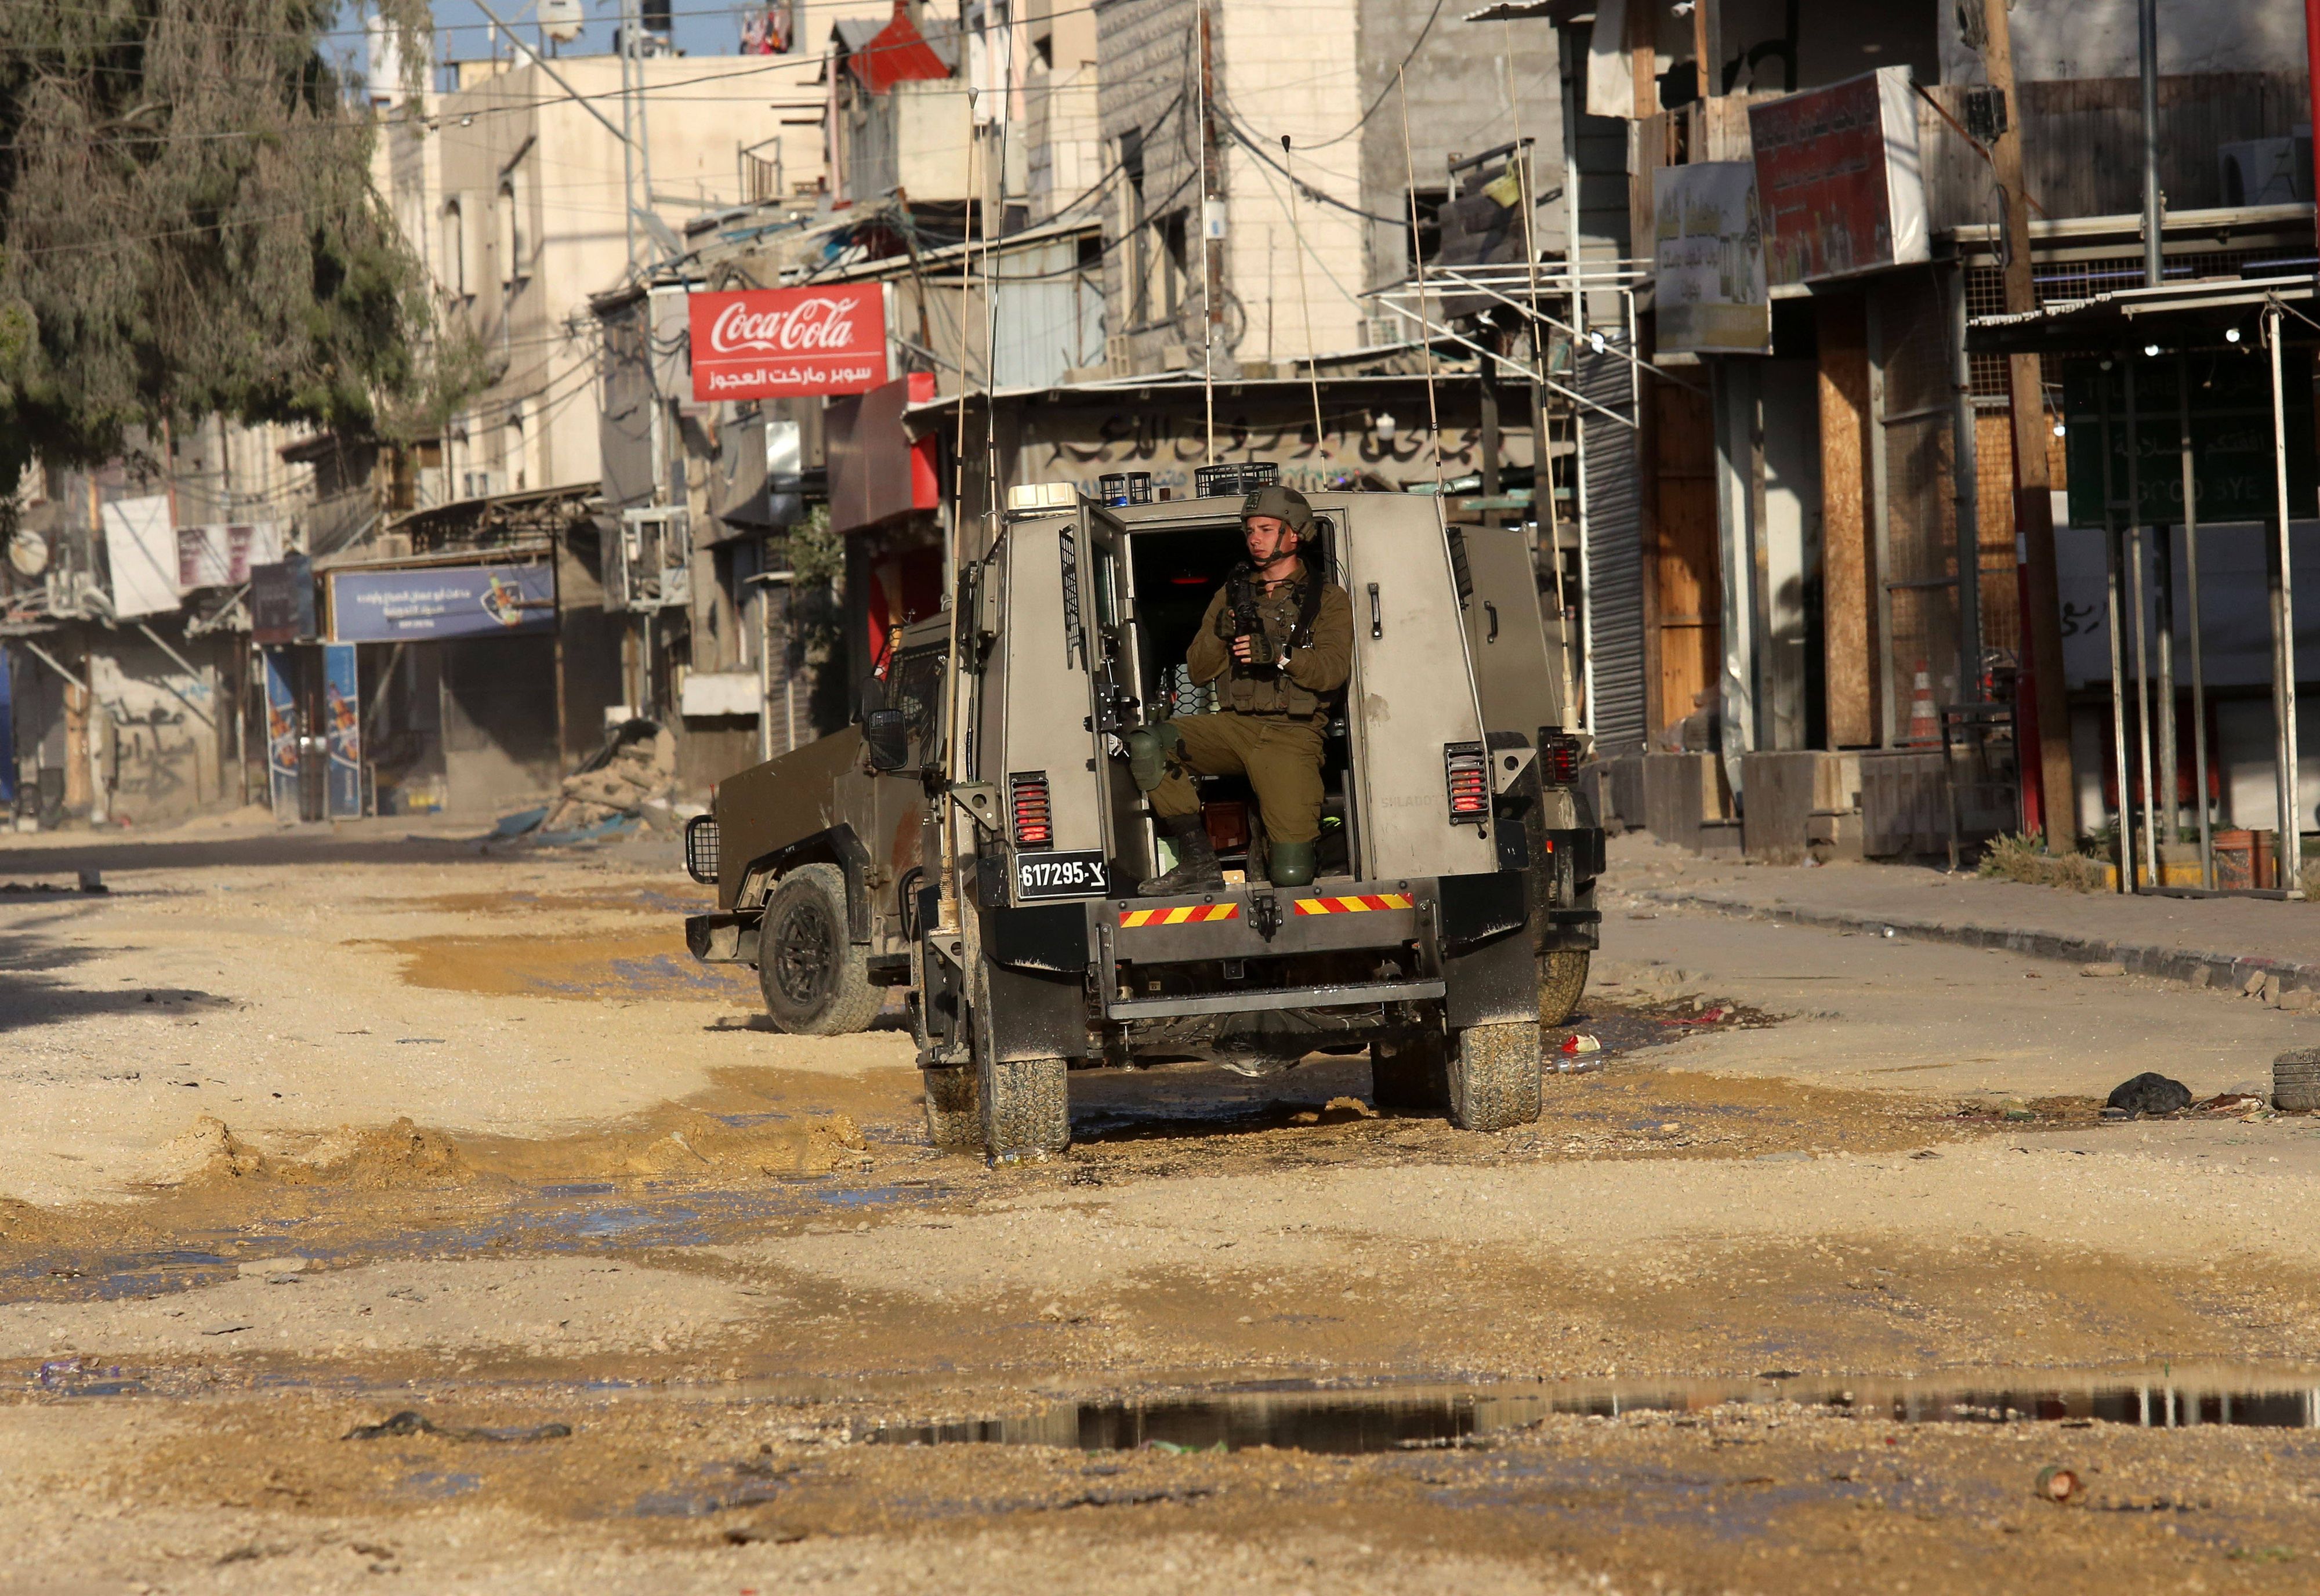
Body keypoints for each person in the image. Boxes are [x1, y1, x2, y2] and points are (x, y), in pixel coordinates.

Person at [1123, 484, 1354, 894]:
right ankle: (1198, 862)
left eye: (1266, 529)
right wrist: (1219, 634)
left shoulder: (1328, 599)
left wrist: (1280, 655)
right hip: (1235, 727)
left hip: (1292, 736)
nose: (1255, 539)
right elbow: (1197, 671)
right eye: (1250, 530)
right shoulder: (1231, 594)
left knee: (1291, 876)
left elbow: (1332, 672)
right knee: (1149, 743)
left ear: (1295, 533)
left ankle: (1275, 845)